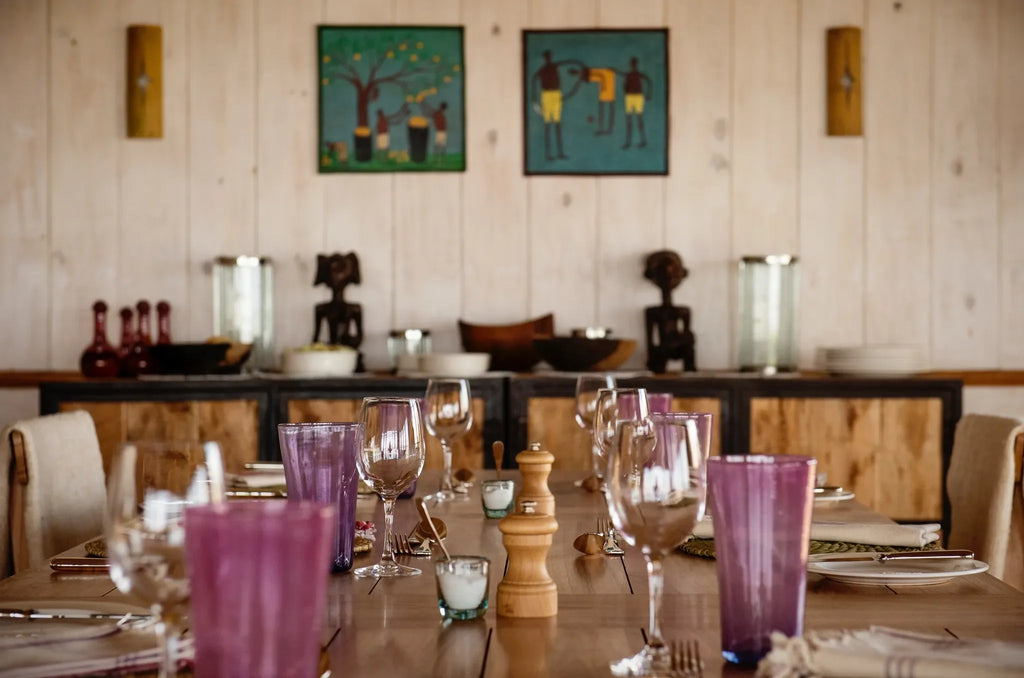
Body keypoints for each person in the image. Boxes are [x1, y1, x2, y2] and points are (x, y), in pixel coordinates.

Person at [643, 250, 696, 373]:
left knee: (689, 343)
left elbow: (687, 335)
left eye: (673, 273)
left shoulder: (683, 311)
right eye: (663, 273)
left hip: (678, 348)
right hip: (661, 353)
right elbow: (650, 343)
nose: (668, 277)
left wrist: (683, 339)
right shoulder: (652, 312)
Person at [530, 50, 584, 161]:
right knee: (548, 125)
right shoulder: (543, 69)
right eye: (547, 57)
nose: (549, 58)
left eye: (549, 56)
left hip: (555, 95)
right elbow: (534, 79)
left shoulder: (555, 66)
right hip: (546, 96)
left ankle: (560, 152)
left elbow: (569, 62)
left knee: (557, 123)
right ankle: (549, 154)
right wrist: (534, 101)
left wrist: (577, 71)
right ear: (545, 58)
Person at [570, 66, 616, 135]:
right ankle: (604, 129)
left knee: (607, 111)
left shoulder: (603, 73)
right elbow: (592, 76)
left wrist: (581, 76)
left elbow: (593, 75)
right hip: (604, 94)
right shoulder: (597, 73)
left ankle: (608, 129)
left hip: (608, 93)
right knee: (603, 112)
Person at [622, 57, 653, 149]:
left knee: (638, 119)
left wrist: (648, 94)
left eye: (633, 63)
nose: (632, 65)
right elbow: (624, 86)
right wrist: (626, 91)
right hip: (630, 97)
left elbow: (648, 81)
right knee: (629, 120)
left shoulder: (638, 74)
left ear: (636, 64)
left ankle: (642, 140)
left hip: (637, 97)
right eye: (632, 64)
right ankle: (628, 142)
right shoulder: (629, 75)